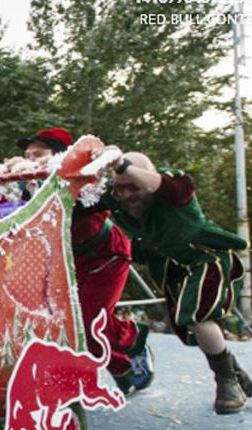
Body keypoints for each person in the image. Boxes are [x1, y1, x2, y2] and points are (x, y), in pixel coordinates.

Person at [103, 151, 252, 414]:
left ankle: (227, 382)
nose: (128, 196)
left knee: (198, 316)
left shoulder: (173, 184)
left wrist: (123, 165)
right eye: (121, 189)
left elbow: (164, 186)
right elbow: (81, 198)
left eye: (133, 187)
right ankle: (234, 371)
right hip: (171, 268)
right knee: (191, 332)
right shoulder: (115, 198)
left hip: (206, 257)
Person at [15, 128, 153, 395]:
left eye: (39, 154)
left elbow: (115, 180)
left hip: (105, 257)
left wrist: (109, 153)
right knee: (64, 323)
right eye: (27, 155)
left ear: (59, 156)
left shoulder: (84, 180)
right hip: (66, 263)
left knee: (90, 322)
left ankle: (132, 339)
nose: (31, 159)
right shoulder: (25, 186)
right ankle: (121, 366)